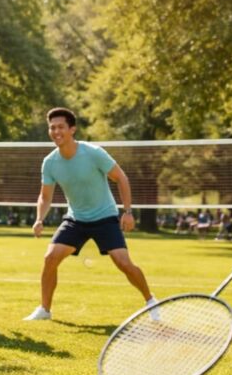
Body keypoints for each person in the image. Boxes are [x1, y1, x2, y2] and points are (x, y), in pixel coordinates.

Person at [26, 107, 156, 321]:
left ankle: (151, 301)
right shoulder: (50, 162)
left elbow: (121, 177)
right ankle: (44, 310)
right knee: (50, 258)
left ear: (72, 129)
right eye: (52, 128)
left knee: (123, 262)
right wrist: (39, 218)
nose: (56, 131)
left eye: (60, 127)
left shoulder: (93, 153)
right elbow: (45, 196)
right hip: (76, 219)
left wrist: (128, 212)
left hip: (105, 217)